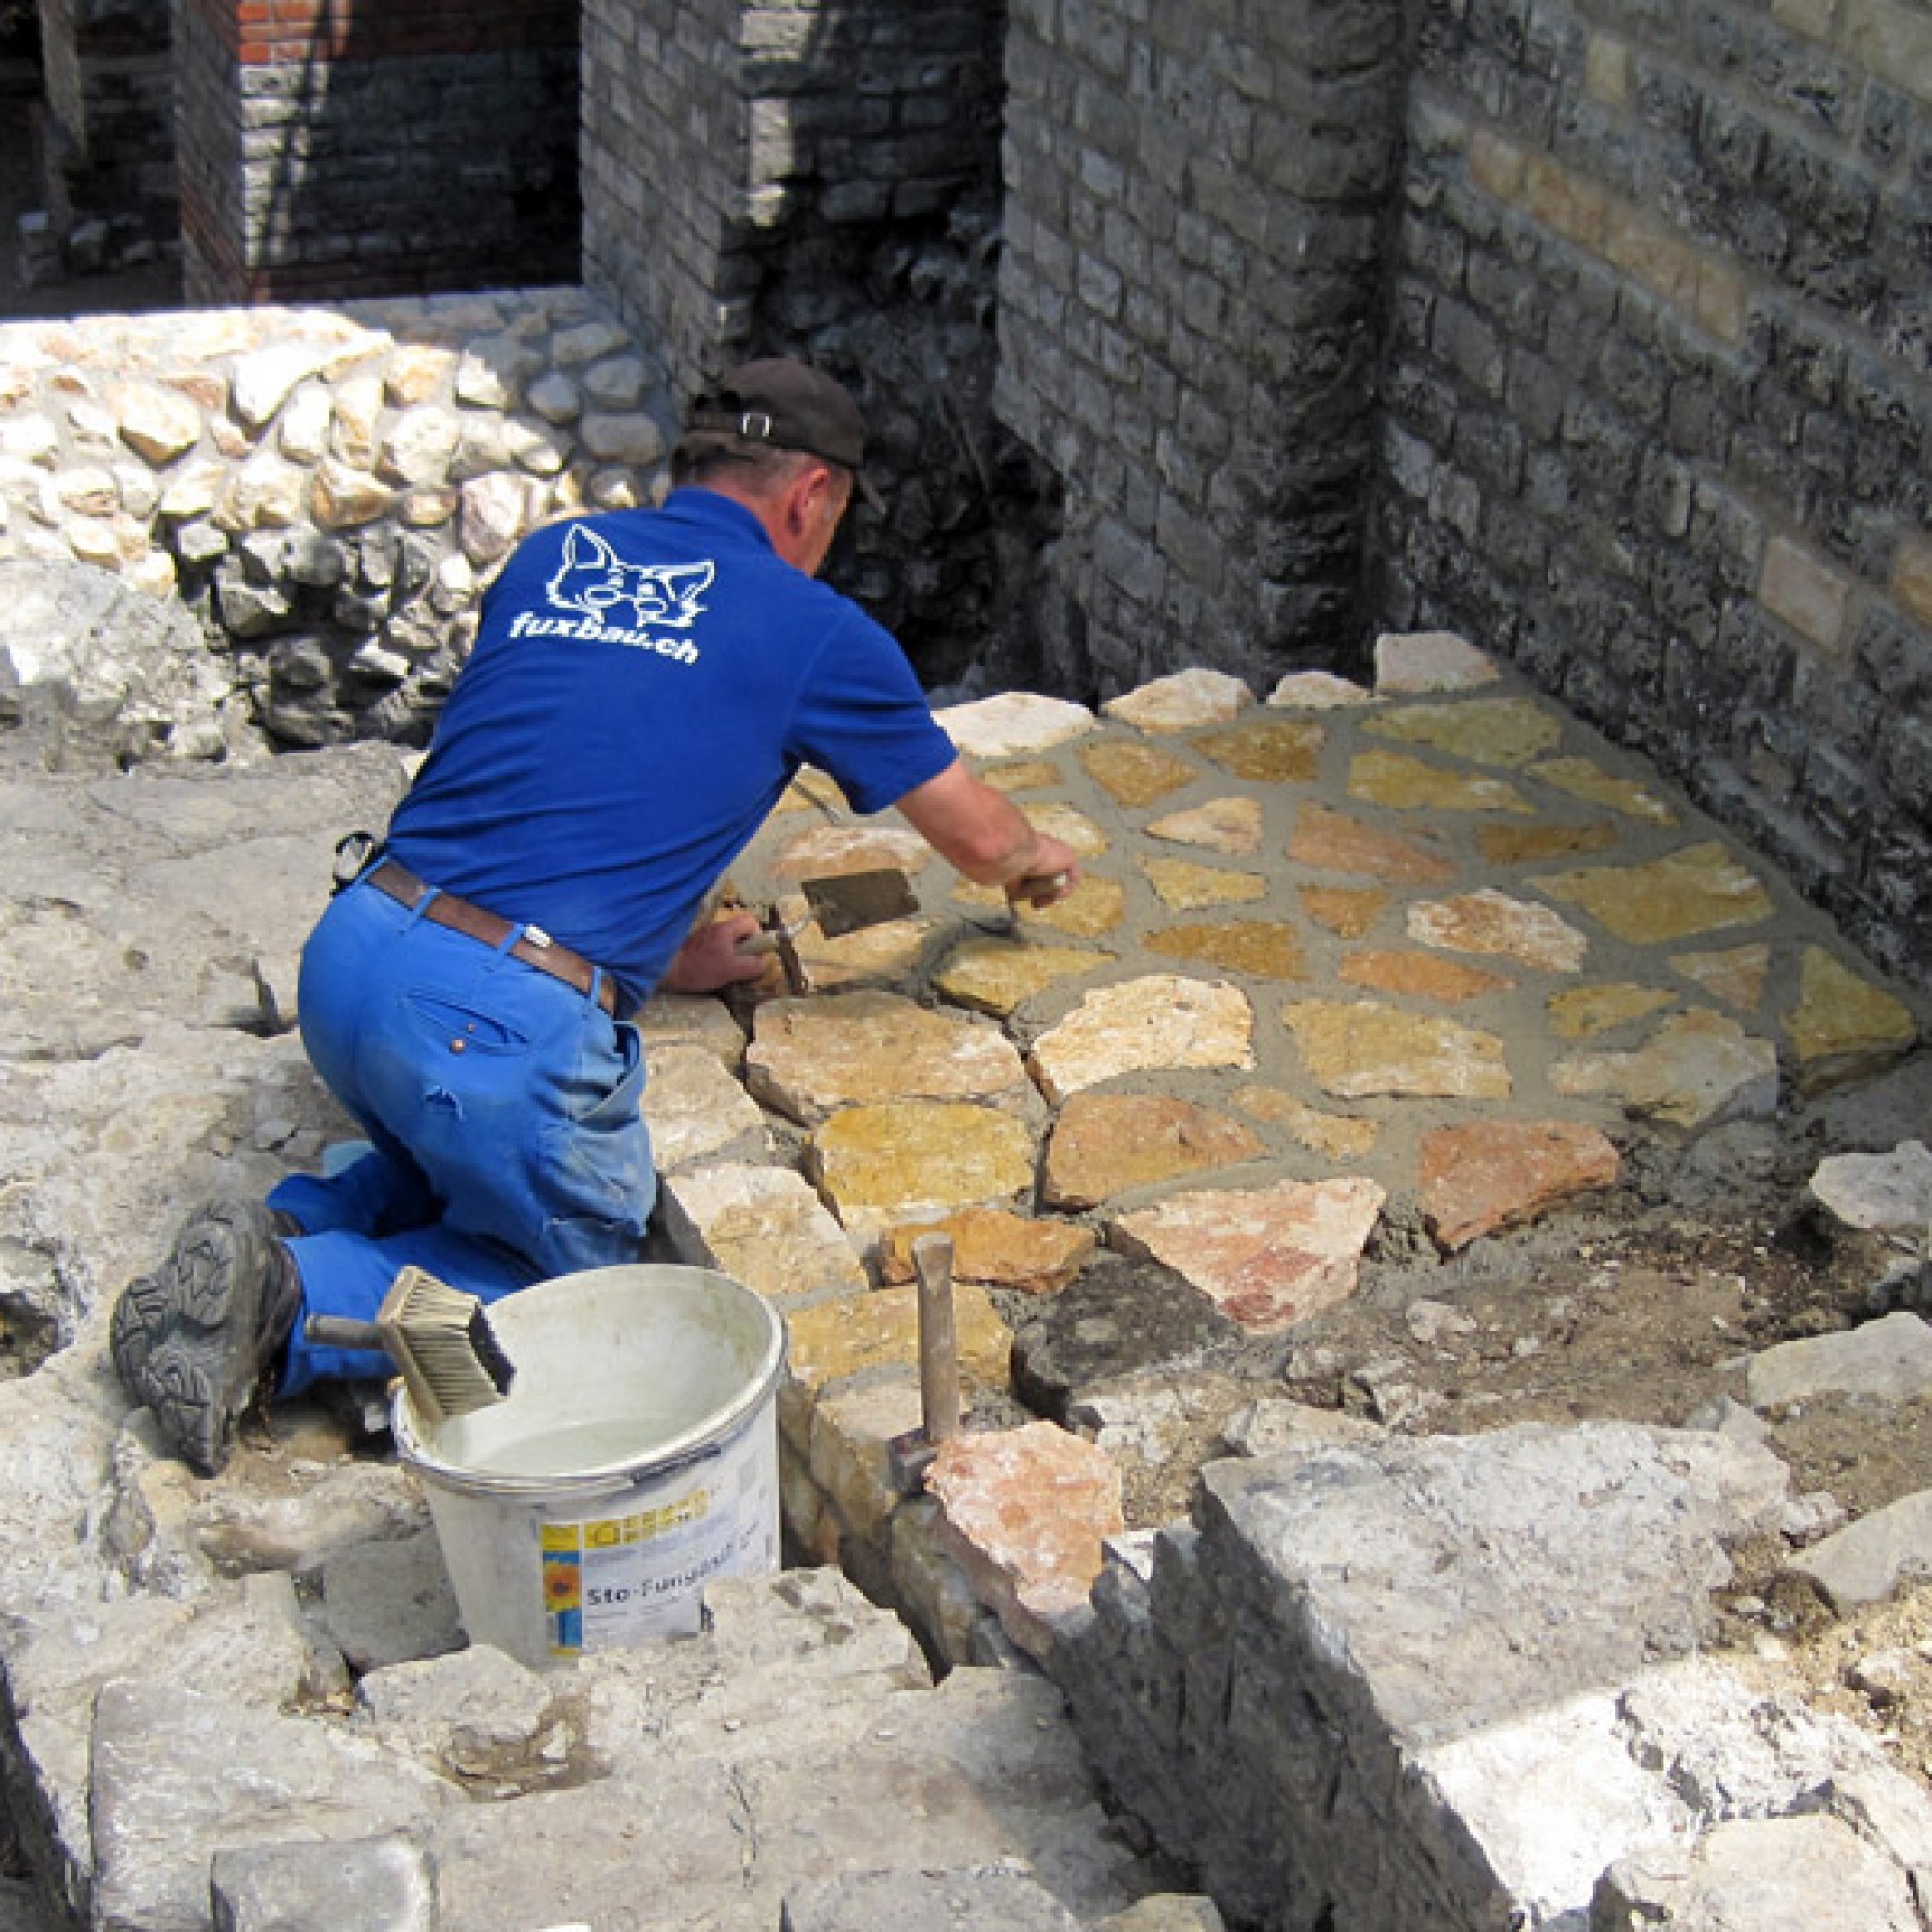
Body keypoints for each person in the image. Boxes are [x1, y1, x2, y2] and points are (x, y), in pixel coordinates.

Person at [110, 358, 1081, 1476]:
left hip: (357, 949)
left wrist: (661, 958)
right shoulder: (817, 631)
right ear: (811, 495)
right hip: (488, 1033)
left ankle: (281, 1223)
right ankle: (290, 1300)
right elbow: (977, 837)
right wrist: (1036, 858)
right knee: (561, 1282)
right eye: (835, 517)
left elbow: (563, 776)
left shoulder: (551, 557)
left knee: (453, 1147)